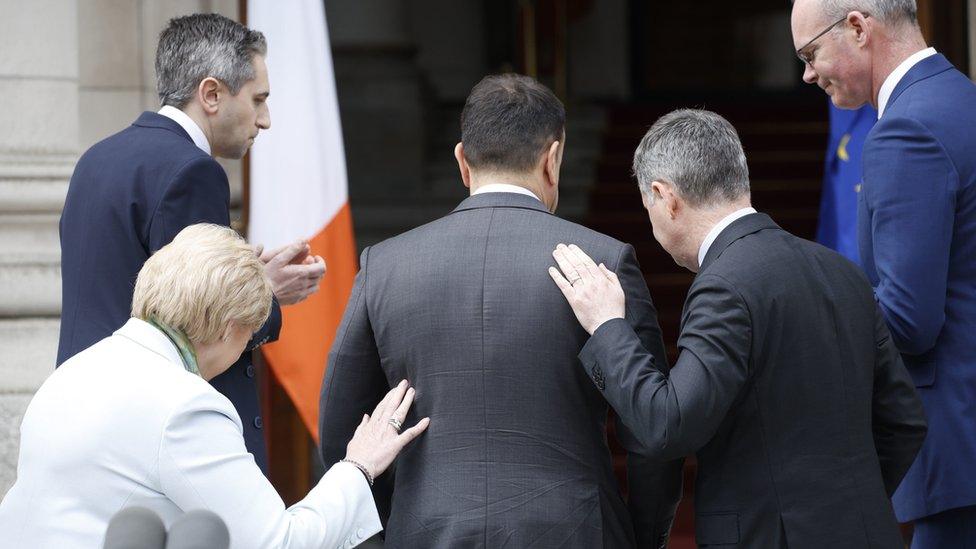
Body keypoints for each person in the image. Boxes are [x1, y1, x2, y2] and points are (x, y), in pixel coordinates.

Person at [318, 74, 682, 548]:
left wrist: (397, 524)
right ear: (553, 159)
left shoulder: (384, 265)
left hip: (427, 531)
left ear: (462, 161)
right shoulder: (604, 261)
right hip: (577, 533)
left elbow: (340, 428)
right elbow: (651, 432)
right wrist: (642, 535)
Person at [548, 109, 927, 547]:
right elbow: (904, 420)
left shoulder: (725, 285)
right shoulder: (840, 271)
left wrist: (608, 325)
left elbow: (669, 425)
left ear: (665, 196)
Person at [0, 224, 428, 548]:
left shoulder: (76, 370)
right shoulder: (183, 404)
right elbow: (276, 543)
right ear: (229, 328)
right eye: (250, 336)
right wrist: (359, 467)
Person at [57, 13, 326, 472]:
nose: (265, 120)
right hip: (155, 438)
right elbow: (197, 328)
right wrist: (264, 293)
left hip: (81, 418)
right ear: (212, 94)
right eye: (258, 99)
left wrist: (245, 275)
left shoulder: (96, 158)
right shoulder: (192, 170)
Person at [790, 1, 976, 545]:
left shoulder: (904, 131)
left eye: (810, 53)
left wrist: (804, 322)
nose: (807, 74)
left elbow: (908, 319)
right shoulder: (962, 99)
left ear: (857, 26)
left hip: (954, 450)